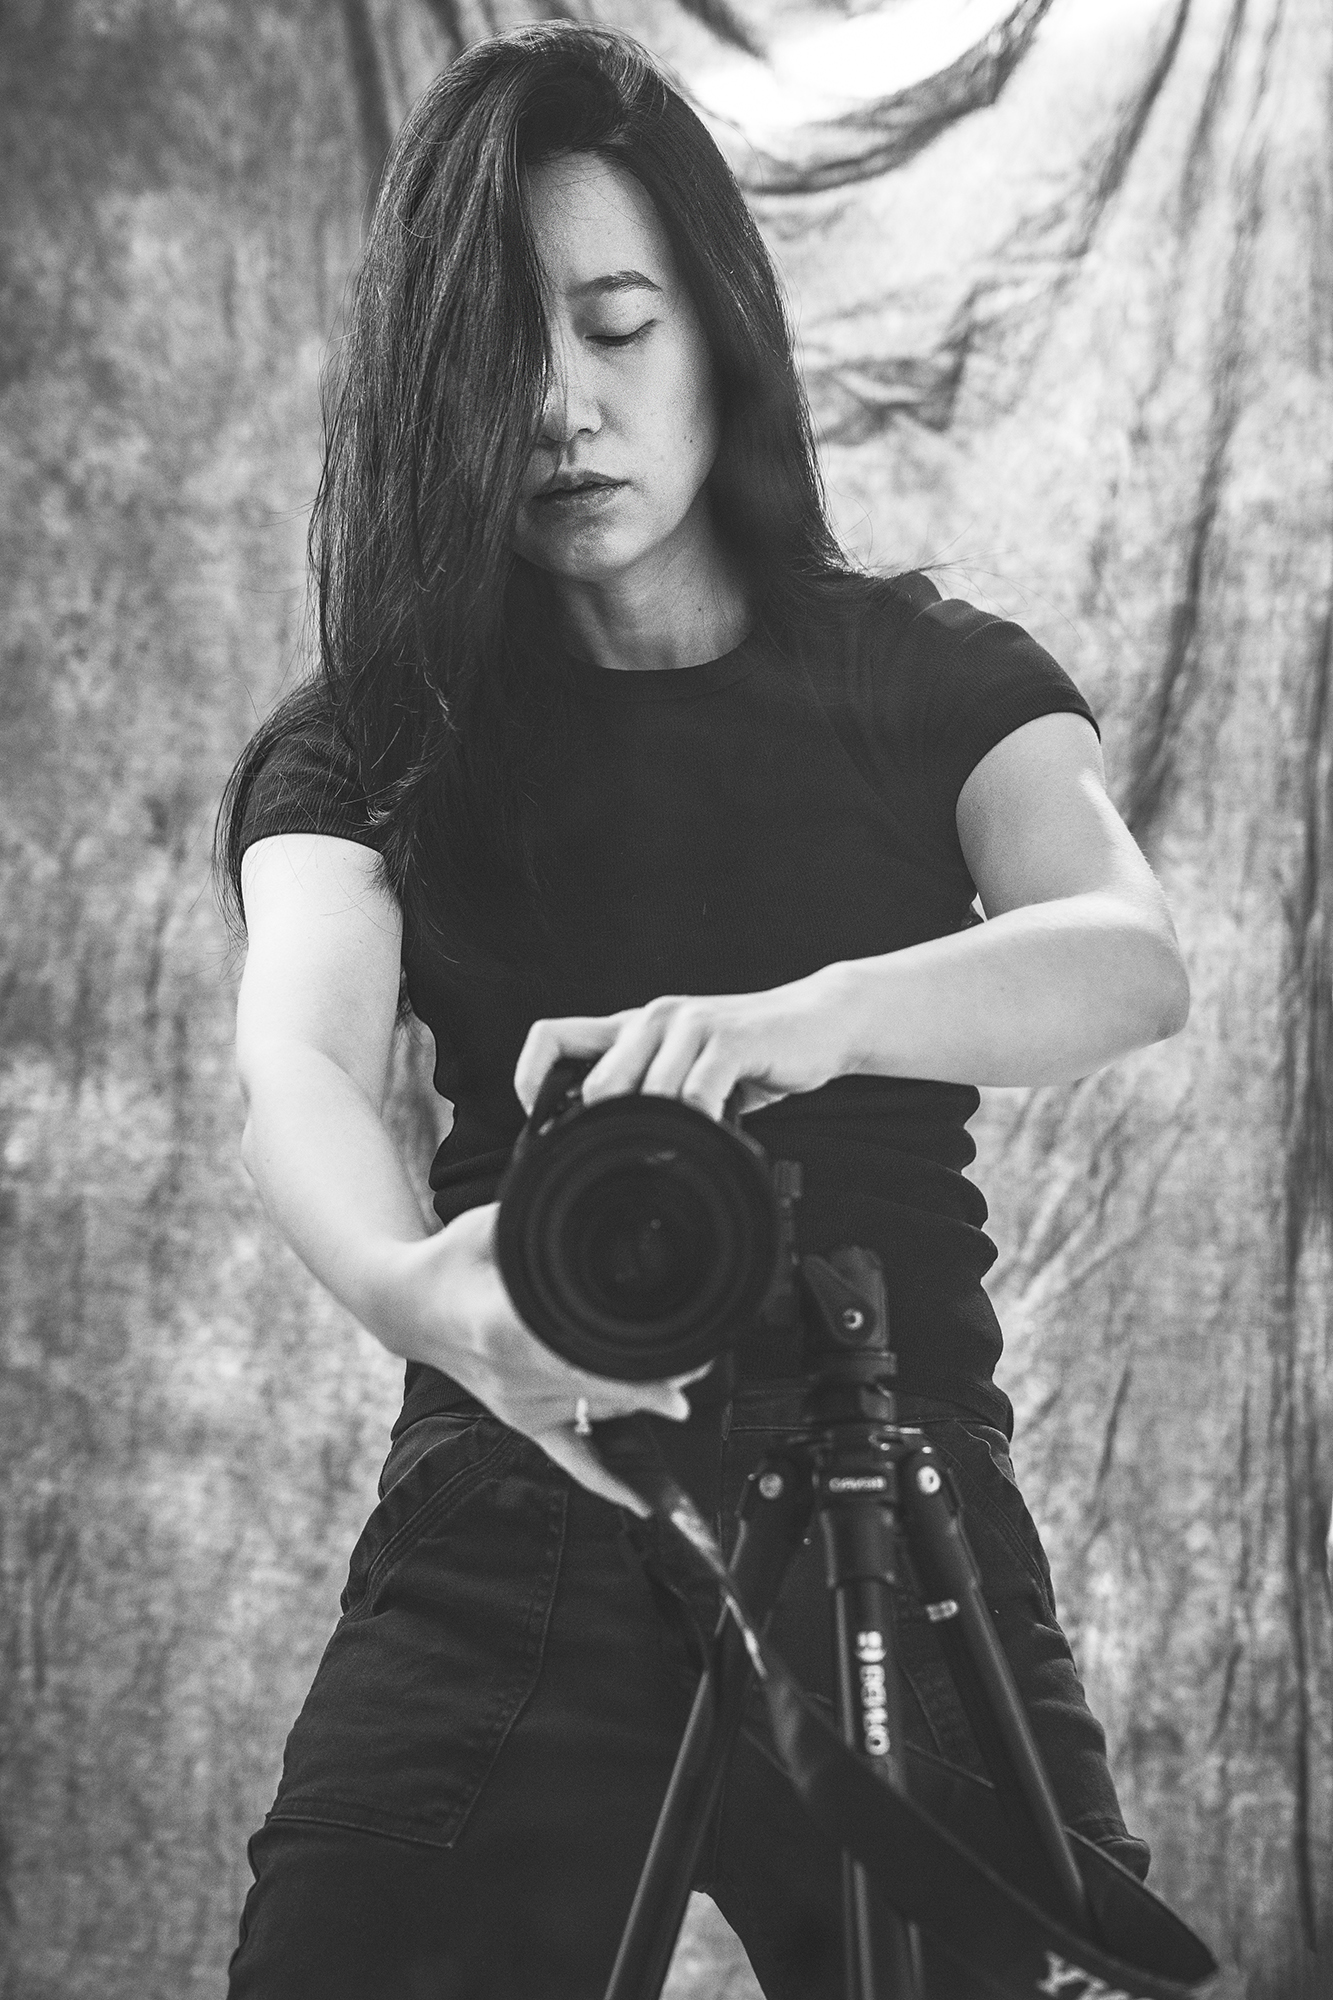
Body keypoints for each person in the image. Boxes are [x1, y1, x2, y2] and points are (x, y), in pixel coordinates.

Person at [216, 22, 1191, 1999]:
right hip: (530, 1468)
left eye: (614, 324)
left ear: (715, 335)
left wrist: (802, 1019)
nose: (560, 406)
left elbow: (1125, 951)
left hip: (891, 1495)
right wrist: (429, 1303)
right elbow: (295, 1060)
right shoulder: (371, 737)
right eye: (500, 351)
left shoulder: (930, 676)